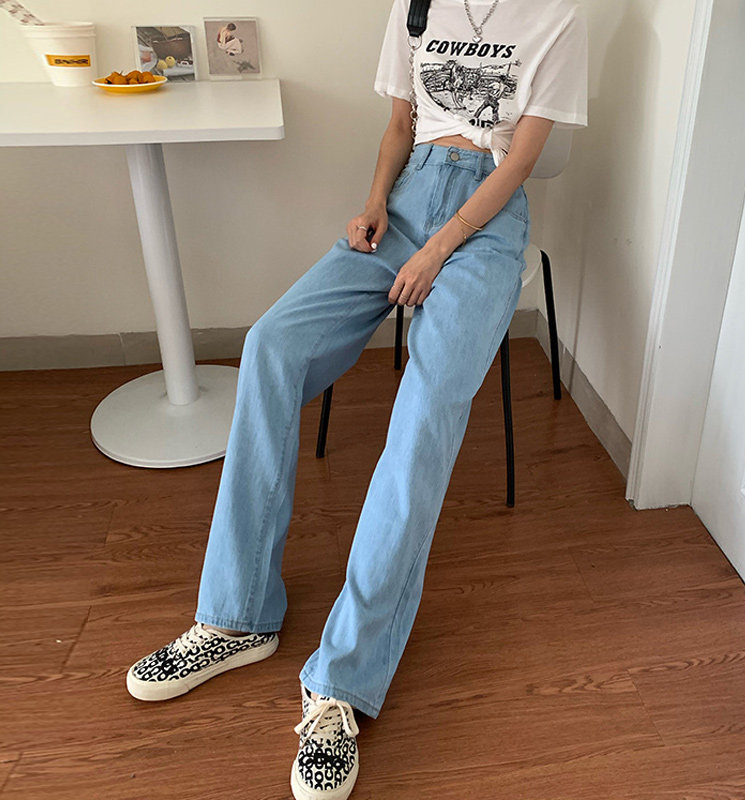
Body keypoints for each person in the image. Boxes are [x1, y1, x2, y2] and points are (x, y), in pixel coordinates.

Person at [126, 0, 587, 797]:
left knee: (424, 409)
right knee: (271, 345)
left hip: (484, 223)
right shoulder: (418, 5)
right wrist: (375, 203)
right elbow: (400, 126)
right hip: (405, 201)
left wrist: (440, 250)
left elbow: (518, 163)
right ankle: (235, 614)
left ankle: (341, 682)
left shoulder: (558, 15)